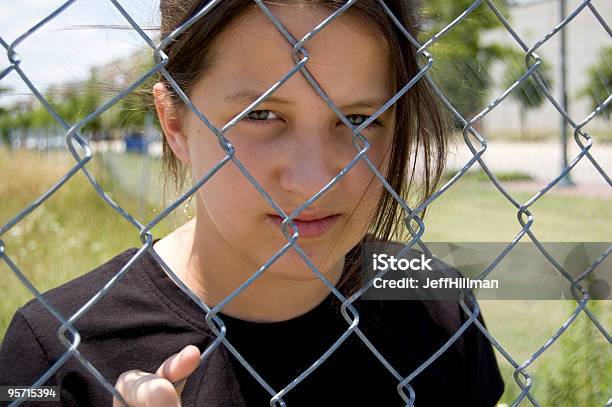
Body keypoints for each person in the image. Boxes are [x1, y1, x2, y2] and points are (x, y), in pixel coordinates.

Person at [0, 0, 505, 406]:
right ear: (175, 122)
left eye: (356, 120)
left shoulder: (437, 305)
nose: (314, 182)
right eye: (262, 115)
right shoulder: (57, 353)